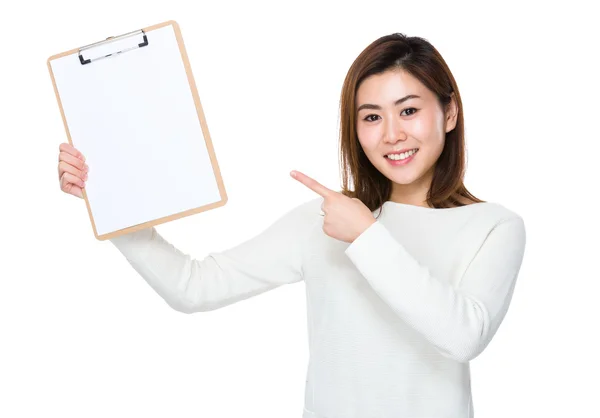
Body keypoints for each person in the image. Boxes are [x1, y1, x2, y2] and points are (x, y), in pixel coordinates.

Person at [57, 32, 526, 418]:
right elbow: (193, 286)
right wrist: (109, 200)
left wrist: (366, 235)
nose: (391, 134)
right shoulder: (324, 220)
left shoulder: (493, 226)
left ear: (449, 113)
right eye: (371, 117)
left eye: (408, 110)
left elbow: (463, 337)